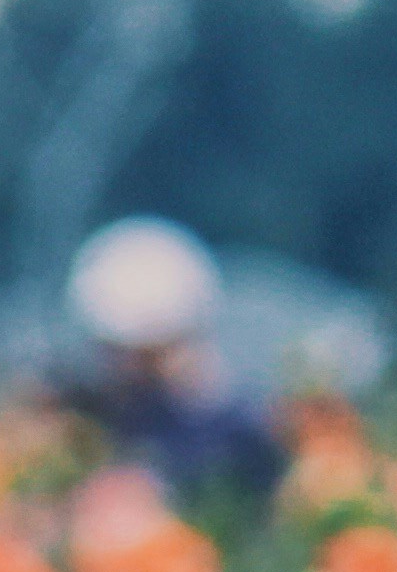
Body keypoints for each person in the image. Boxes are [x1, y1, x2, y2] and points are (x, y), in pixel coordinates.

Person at [59, 215, 283, 501]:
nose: (127, 368)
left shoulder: (240, 432)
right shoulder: (91, 416)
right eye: (116, 352)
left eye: (145, 354)